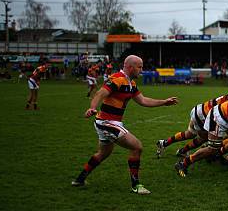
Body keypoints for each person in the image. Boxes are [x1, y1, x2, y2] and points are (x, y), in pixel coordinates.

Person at [72, 55, 178, 194]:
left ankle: (79, 179)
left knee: (103, 154)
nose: (142, 70)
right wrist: (92, 108)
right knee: (137, 147)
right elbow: (100, 94)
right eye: (139, 67)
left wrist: (164, 102)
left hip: (109, 122)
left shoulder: (131, 83)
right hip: (107, 122)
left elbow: (143, 101)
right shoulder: (117, 79)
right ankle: (136, 185)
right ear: (130, 67)